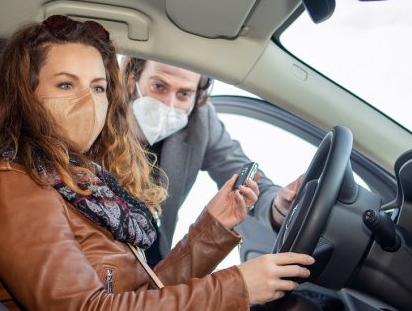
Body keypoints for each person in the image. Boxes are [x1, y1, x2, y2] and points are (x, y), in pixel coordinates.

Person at [0, 16, 343, 311]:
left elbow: (141, 290)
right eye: (66, 85)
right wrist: (237, 287)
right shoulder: (16, 187)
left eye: (97, 87)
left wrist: (214, 227)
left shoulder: (76, 176)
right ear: (25, 94)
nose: (88, 101)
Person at [121, 57, 303, 267]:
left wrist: (278, 205)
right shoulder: (100, 117)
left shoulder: (201, 120)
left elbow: (240, 172)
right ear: (132, 80)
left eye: (184, 94)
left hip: (152, 258)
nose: (169, 105)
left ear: (196, 95)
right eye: (159, 86)